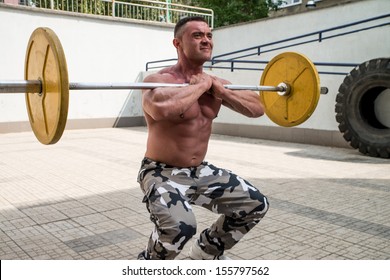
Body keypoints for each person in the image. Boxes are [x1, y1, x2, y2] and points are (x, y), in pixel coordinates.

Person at [137, 16, 269, 260]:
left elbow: (257, 108)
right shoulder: (159, 80)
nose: (206, 40)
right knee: (180, 228)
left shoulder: (217, 85)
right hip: (161, 172)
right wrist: (199, 86)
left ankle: (206, 251)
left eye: (209, 35)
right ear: (177, 43)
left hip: (200, 172)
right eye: (197, 35)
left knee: (255, 204)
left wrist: (221, 92)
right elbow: (161, 108)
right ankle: (149, 264)